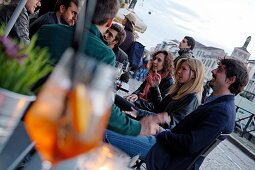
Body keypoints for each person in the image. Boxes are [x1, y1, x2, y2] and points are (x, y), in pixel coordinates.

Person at [35, 0, 162, 136]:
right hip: (58, 129)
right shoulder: (105, 54)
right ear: (109, 22)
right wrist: (136, 127)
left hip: (26, 109)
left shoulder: (47, 30)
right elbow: (100, 106)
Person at [105, 58, 249, 170]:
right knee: (114, 124)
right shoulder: (219, 104)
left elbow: (190, 144)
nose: (213, 71)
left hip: (163, 152)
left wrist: (161, 132)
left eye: (220, 69)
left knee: (104, 132)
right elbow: (166, 115)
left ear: (230, 80)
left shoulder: (222, 110)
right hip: (162, 144)